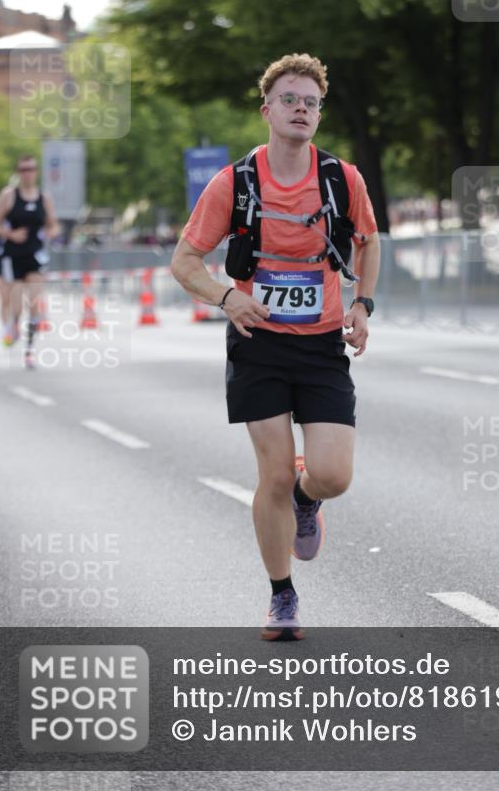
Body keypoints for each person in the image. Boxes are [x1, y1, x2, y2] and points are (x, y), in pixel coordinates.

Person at [172, 53, 380, 640]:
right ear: (267, 110)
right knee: (271, 474)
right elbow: (184, 262)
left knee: (332, 474)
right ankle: (281, 596)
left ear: (319, 114)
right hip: (256, 342)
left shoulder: (343, 178)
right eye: (290, 99)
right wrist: (225, 297)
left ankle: (307, 498)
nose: (301, 109)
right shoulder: (235, 183)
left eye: (311, 102)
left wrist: (363, 305)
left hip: (321, 346)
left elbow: (369, 241)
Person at [0, 154, 60, 367]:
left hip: (34, 255)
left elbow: (53, 224)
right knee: (15, 305)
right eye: (23, 169)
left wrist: (51, 233)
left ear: (36, 172)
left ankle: (29, 350)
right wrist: (11, 235)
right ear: (19, 173)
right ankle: (13, 326)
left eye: (31, 169)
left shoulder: (44, 198)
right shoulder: (9, 196)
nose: (27, 173)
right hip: (12, 256)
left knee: (35, 303)